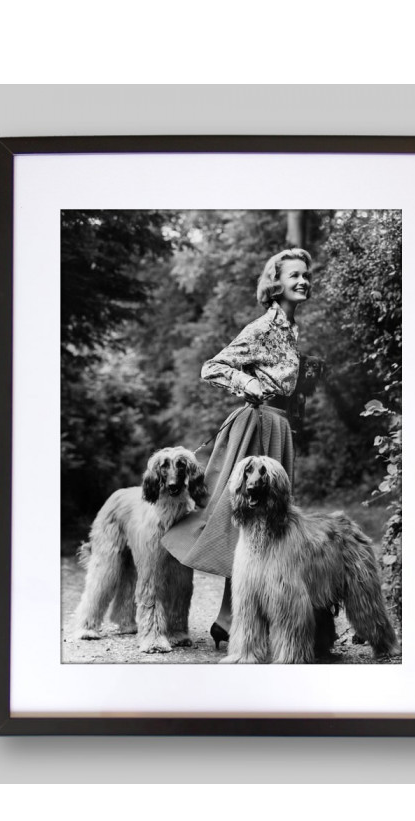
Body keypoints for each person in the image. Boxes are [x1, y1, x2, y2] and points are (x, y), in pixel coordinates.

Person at [163, 247, 314, 648]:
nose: (302, 281)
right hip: (259, 426)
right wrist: (248, 385)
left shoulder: (291, 329)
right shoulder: (263, 327)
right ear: (275, 283)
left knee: (270, 523)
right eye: (294, 275)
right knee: (245, 516)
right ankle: (231, 618)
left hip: (280, 428)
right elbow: (212, 366)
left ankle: (245, 617)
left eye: (306, 275)